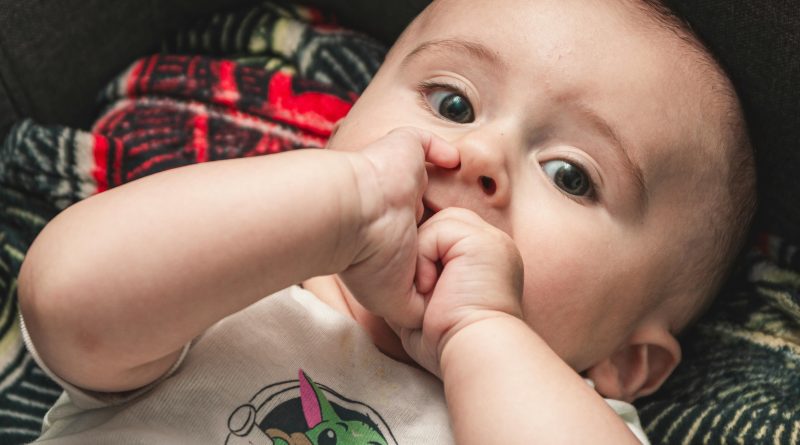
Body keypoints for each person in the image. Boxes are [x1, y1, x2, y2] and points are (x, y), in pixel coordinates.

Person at [17, 0, 756, 443]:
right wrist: (345, 207)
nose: (480, 155)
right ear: (338, 134)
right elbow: (65, 301)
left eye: (571, 176)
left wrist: (479, 331)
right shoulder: (229, 276)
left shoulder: (569, 418)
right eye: (452, 103)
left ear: (625, 361)